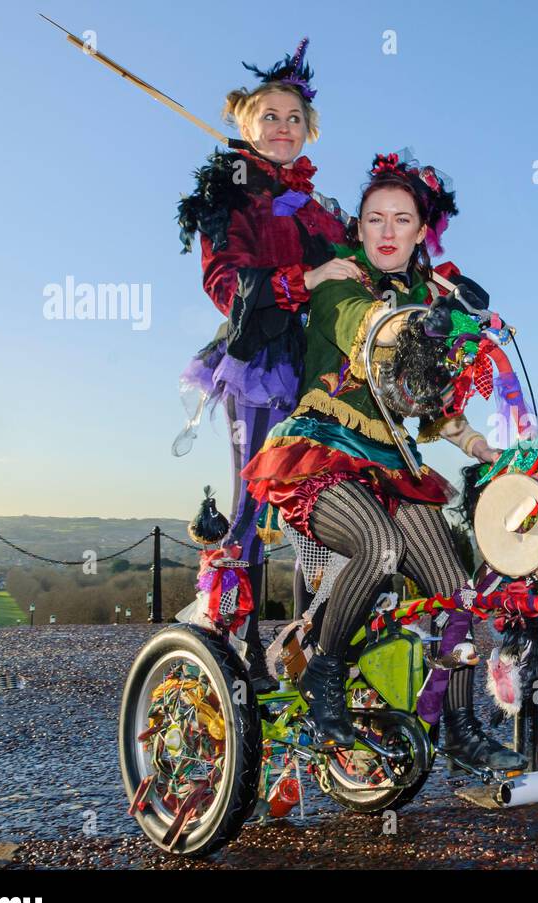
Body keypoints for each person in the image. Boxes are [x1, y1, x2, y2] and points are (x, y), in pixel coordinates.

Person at [241, 150, 526, 771]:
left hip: (391, 462)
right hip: (322, 451)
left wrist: (482, 448)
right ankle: (324, 674)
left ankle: (457, 724)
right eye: (375, 219)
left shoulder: (423, 294)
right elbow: (374, 334)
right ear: (360, 228)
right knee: (380, 548)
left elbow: (434, 407)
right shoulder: (344, 282)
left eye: (402, 220)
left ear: (422, 232)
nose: (388, 232)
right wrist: (437, 326)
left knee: (456, 589)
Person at [174, 38, 348, 689]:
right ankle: (239, 649)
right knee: (255, 499)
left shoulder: (311, 202)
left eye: (294, 119)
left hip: (321, 370)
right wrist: (302, 278)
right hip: (261, 360)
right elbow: (224, 280)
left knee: (321, 499)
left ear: (308, 132)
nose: (282, 127)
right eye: (269, 117)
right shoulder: (231, 189)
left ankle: (314, 646)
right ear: (248, 123)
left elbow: (356, 271)